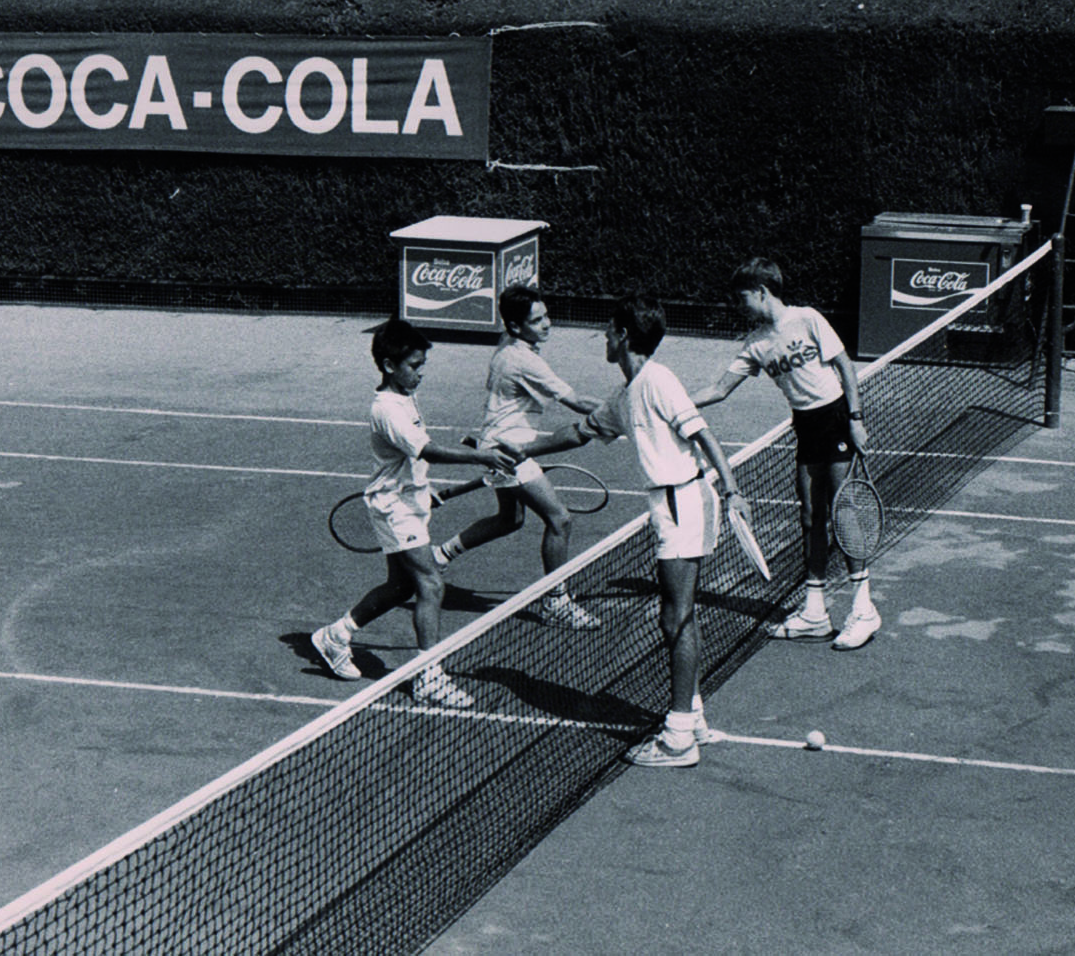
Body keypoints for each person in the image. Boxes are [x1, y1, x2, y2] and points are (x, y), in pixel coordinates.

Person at [524, 295, 748, 768]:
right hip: (671, 504)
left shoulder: (659, 380)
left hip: (683, 501)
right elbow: (581, 432)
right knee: (679, 615)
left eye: (608, 330)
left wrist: (732, 490)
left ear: (624, 335)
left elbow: (702, 434)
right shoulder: (628, 393)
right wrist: (525, 451)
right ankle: (694, 718)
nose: (603, 338)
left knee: (676, 619)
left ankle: (679, 738)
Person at [310, 318, 519, 710]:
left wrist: (433, 491)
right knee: (431, 584)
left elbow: (413, 461)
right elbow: (427, 450)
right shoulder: (387, 408)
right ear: (390, 366)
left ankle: (335, 636)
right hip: (395, 509)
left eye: (423, 365)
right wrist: (483, 455)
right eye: (414, 366)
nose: (420, 373)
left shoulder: (403, 397)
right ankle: (429, 678)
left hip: (410, 502)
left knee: (400, 587)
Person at [692, 257, 881, 650]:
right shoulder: (756, 342)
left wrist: (856, 418)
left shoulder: (807, 318)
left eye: (742, 297)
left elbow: (844, 365)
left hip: (834, 418)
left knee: (841, 510)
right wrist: (675, 405)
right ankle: (815, 611)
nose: (738, 304)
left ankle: (863, 608)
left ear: (762, 292)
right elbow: (720, 389)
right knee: (810, 516)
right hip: (805, 426)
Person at [431, 285, 604, 630]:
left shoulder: (508, 345)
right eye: (536, 320)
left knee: (509, 519)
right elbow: (577, 402)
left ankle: (439, 556)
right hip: (511, 451)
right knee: (560, 519)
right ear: (514, 326)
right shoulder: (524, 360)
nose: (547, 324)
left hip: (497, 443)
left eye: (545, 316)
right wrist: (625, 413)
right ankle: (557, 601)